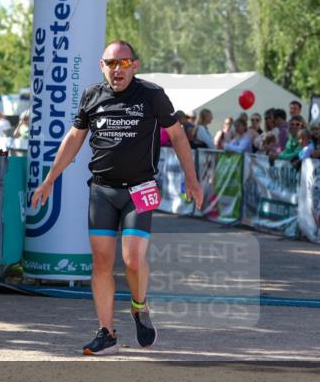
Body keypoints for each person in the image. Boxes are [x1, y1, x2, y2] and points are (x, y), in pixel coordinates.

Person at [30, 40, 203, 356]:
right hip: (102, 191)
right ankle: (106, 332)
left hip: (140, 189)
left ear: (135, 65)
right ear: (102, 66)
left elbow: (178, 136)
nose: (117, 69)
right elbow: (73, 139)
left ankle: (139, 306)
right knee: (101, 262)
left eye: (124, 63)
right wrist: (49, 180)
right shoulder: (92, 96)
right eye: (111, 63)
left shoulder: (152, 95)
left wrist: (192, 179)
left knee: (133, 259)